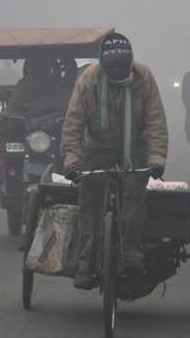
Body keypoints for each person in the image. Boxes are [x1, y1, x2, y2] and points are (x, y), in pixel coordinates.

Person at [62, 32, 168, 290]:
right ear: (103, 64)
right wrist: (72, 160)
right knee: (89, 204)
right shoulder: (89, 80)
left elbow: (156, 120)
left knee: (134, 196)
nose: (119, 72)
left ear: (131, 62)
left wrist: (156, 158)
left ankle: (132, 252)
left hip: (135, 148)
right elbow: (74, 122)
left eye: (124, 67)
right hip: (97, 148)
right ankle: (85, 264)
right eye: (113, 68)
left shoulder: (144, 78)